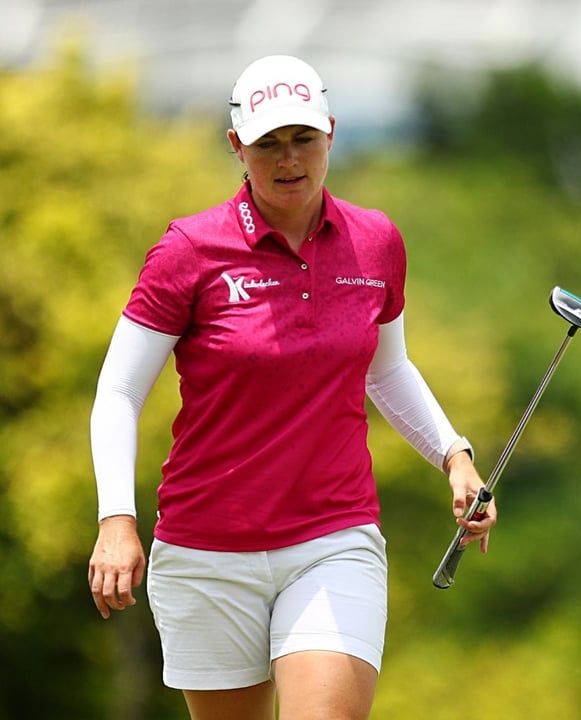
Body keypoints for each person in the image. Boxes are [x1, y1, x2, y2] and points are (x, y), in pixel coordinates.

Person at [86, 54, 496, 719]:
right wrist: (116, 521)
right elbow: (118, 392)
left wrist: (455, 456)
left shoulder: (376, 242)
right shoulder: (189, 250)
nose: (288, 158)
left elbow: (386, 368)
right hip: (207, 548)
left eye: (303, 138)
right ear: (236, 147)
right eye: (267, 143)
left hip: (333, 537)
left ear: (331, 134)